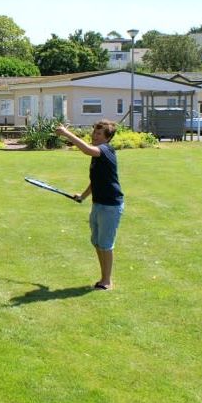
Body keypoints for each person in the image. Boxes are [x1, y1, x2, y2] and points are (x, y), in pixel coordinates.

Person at [54, 120, 124, 291]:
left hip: (110, 206)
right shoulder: (98, 156)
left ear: (107, 138)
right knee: (98, 243)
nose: (94, 135)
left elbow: (86, 149)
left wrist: (66, 134)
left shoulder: (105, 150)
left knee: (105, 244)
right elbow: (96, 181)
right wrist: (83, 197)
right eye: (94, 132)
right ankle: (103, 278)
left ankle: (107, 281)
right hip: (99, 204)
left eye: (99, 134)